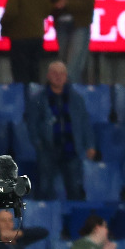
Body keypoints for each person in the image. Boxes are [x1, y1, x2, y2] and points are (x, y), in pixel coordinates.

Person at [24, 61, 96, 200]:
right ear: (48, 76)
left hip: (71, 149)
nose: (58, 76)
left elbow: (84, 123)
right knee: (45, 188)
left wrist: (90, 145)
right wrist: (38, 144)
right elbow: (32, 125)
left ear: (66, 76)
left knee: (75, 189)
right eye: (55, 73)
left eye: (62, 73)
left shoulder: (77, 99)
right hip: (47, 150)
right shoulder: (38, 99)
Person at [46, 0, 93, 81]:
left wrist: (67, 4)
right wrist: (55, 7)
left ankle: (70, 89)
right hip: (61, 26)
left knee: (74, 64)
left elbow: (88, 4)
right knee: (63, 62)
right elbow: (47, 5)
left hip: (79, 25)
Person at [2, 0, 49, 83]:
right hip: (37, 36)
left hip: (19, 37)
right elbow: (47, 10)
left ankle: (22, 95)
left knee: (20, 73)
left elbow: (11, 11)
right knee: (34, 71)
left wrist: (3, 24)